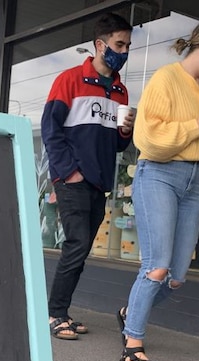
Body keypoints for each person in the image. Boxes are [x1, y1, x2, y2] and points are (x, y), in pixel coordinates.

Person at [116, 17, 199, 361]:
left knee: (177, 275)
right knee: (156, 265)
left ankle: (129, 312)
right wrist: (198, 126)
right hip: (159, 173)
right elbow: (148, 138)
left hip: (195, 178)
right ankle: (133, 345)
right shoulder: (166, 78)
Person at [41, 13, 135, 340]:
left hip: (100, 181)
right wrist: (69, 173)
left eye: (127, 45)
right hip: (72, 180)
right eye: (118, 44)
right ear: (100, 44)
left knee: (81, 250)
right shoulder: (69, 80)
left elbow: (118, 142)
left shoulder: (121, 90)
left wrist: (125, 131)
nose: (123, 51)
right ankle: (53, 314)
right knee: (77, 244)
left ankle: (61, 310)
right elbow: (51, 132)